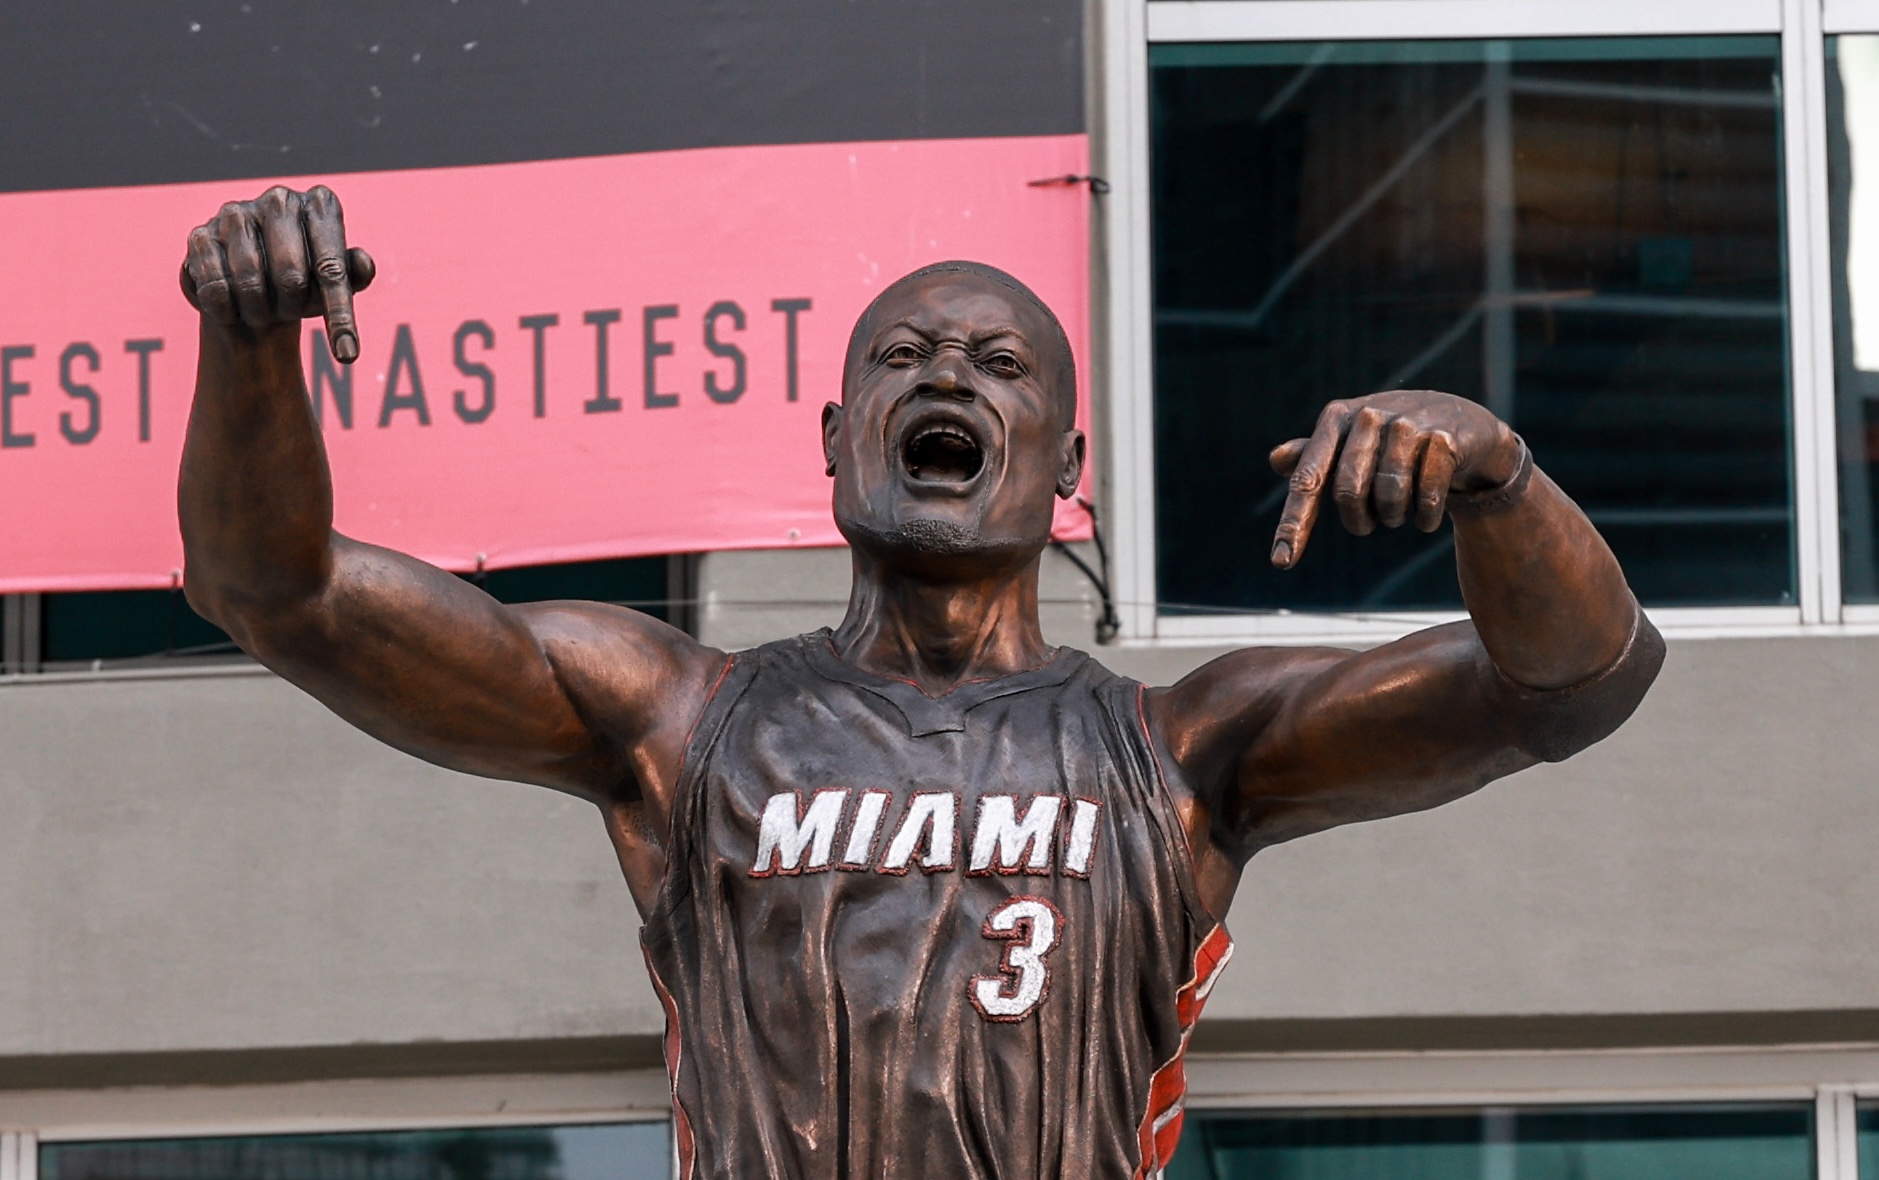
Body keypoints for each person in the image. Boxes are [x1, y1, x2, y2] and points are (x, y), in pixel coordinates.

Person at [177, 186, 1663, 1180]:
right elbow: (279, 592)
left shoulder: (1180, 750)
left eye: (999, 363)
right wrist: (249, 345)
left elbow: (1575, 682)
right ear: (834, 436)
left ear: (1067, 468)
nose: (949, 374)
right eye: (906, 353)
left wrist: (1499, 474)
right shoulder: (678, 719)